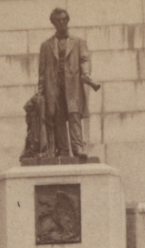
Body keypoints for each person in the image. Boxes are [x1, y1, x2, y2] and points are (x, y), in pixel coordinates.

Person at [36, 8, 99, 159]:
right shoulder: (46, 45)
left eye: (65, 19)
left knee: (74, 115)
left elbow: (84, 59)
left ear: (68, 21)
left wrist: (85, 74)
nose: (62, 22)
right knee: (58, 117)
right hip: (54, 86)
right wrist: (41, 91)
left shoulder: (78, 42)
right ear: (54, 23)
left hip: (73, 85)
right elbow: (42, 71)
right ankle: (64, 150)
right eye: (59, 20)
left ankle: (77, 148)